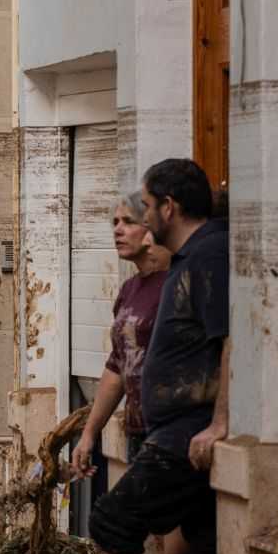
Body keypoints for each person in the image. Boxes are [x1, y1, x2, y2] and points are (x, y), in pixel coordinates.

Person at [85, 159, 230, 554]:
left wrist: (219, 423)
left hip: (188, 429)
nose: (134, 222)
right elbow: (116, 366)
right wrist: (91, 431)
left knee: (112, 518)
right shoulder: (186, 259)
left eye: (142, 209)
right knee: (184, 549)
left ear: (168, 207)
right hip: (162, 428)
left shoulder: (206, 255)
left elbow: (229, 339)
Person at [70, 192, 173, 480]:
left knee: (117, 521)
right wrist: (90, 433)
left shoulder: (176, 283)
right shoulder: (130, 289)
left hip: (170, 430)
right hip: (137, 427)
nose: (117, 229)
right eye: (114, 222)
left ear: (152, 227)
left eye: (128, 221)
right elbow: (117, 365)